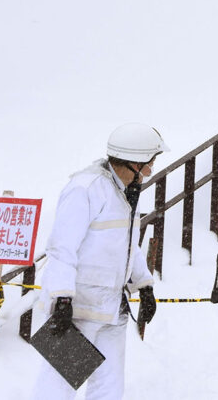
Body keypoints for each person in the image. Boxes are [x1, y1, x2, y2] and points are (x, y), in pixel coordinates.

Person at [32, 123, 166, 400]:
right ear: (133, 162)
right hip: (78, 310)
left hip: (111, 309)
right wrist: (62, 299)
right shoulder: (86, 188)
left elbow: (127, 246)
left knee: (109, 387)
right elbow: (61, 248)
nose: (151, 170)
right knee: (59, 385)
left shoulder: (126, 193)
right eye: (149, 163)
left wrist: (145, 285)